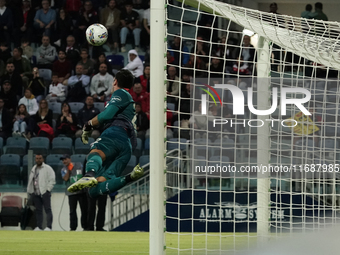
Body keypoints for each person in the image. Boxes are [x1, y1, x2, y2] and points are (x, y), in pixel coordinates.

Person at [67, 70, 144, 198]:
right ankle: (130, 177)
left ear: (115, 81)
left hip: (116, 132)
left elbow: (107, 115)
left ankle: (89, 174)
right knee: (94, 190)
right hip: (127, 147)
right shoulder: (128, 101)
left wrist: (89, 125)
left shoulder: (121, 93)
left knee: (95, 152)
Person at [27, 154, 55, 231]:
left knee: (47, 209)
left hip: (44, 192)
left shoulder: (47, 168)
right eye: (37, 158)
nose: (38, 160)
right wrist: (30, 191)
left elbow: (52, 180)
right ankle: (39, 227)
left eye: (40, 158)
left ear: (43, 159)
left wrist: (48, 190)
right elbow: (31, 180)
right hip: (36, 192)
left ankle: (49, 227)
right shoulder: (34, 168)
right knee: (38, 210)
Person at [60, 154, 88, 231]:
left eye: (65, 159)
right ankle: (73, 227)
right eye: (63, 160)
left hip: (81, 191)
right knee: (72, 211)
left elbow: (84, 174)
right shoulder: (63, 169)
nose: (64, 161)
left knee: (84, 210)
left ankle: (85, 226)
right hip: (71, 193)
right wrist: (69, 170)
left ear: (70, 159)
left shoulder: (79, 165)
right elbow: (65, 179)